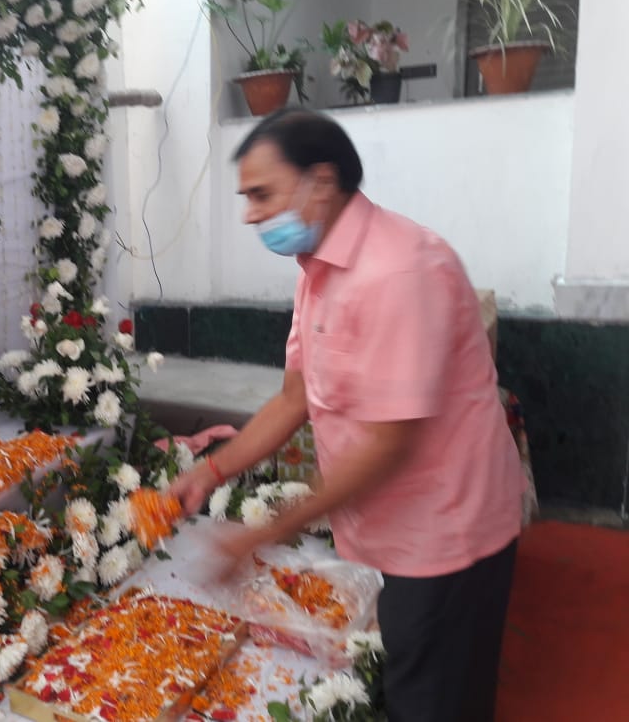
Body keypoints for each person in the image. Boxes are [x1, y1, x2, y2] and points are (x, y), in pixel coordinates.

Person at [169, 109, 526, 722]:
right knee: (404, 674)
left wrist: (259, 536)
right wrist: (212, 472)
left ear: (322, 182)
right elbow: (293, 399)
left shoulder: (400, 271)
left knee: (435, 699)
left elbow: (391, 445)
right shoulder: (318, 271)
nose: (251, 214)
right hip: (386, 527)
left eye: (262, 194)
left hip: (443, 536)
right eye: (246, 197)